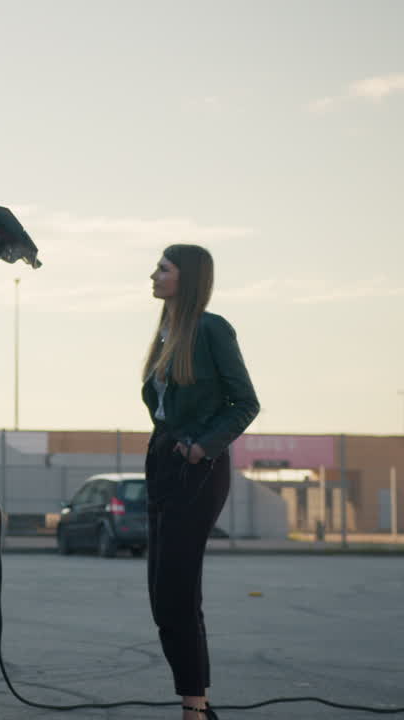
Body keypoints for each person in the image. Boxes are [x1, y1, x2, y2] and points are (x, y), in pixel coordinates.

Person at [142, 244, 259, 720]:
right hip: (163, 463)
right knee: (160, 592)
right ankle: (196, 701)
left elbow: (244, 402)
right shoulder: (166, 334)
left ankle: (195, 707)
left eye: (163, 269)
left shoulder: (211, 329)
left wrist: (200, 447)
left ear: (185, 278)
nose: (152, 275)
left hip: (197, 469)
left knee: (178, 589)